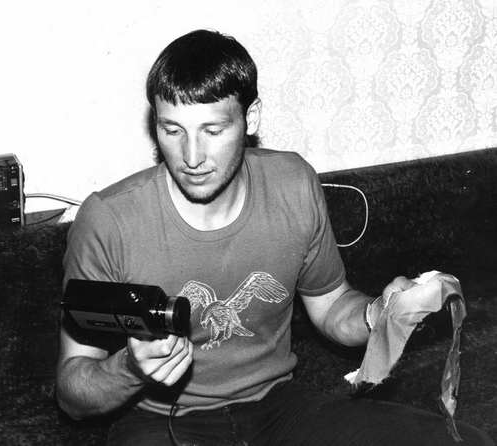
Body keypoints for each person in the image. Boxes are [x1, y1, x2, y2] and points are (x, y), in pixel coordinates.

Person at [56, 29, 493, 446]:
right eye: (172, 130)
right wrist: (130, 369)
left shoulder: (293, 183)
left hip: (278, 406)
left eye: (213, 131)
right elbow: (73, 393)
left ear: (251, 118)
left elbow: (331, 306)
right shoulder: (109, 220)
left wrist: (377, 314)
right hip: (157, 419)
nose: (191, 157)